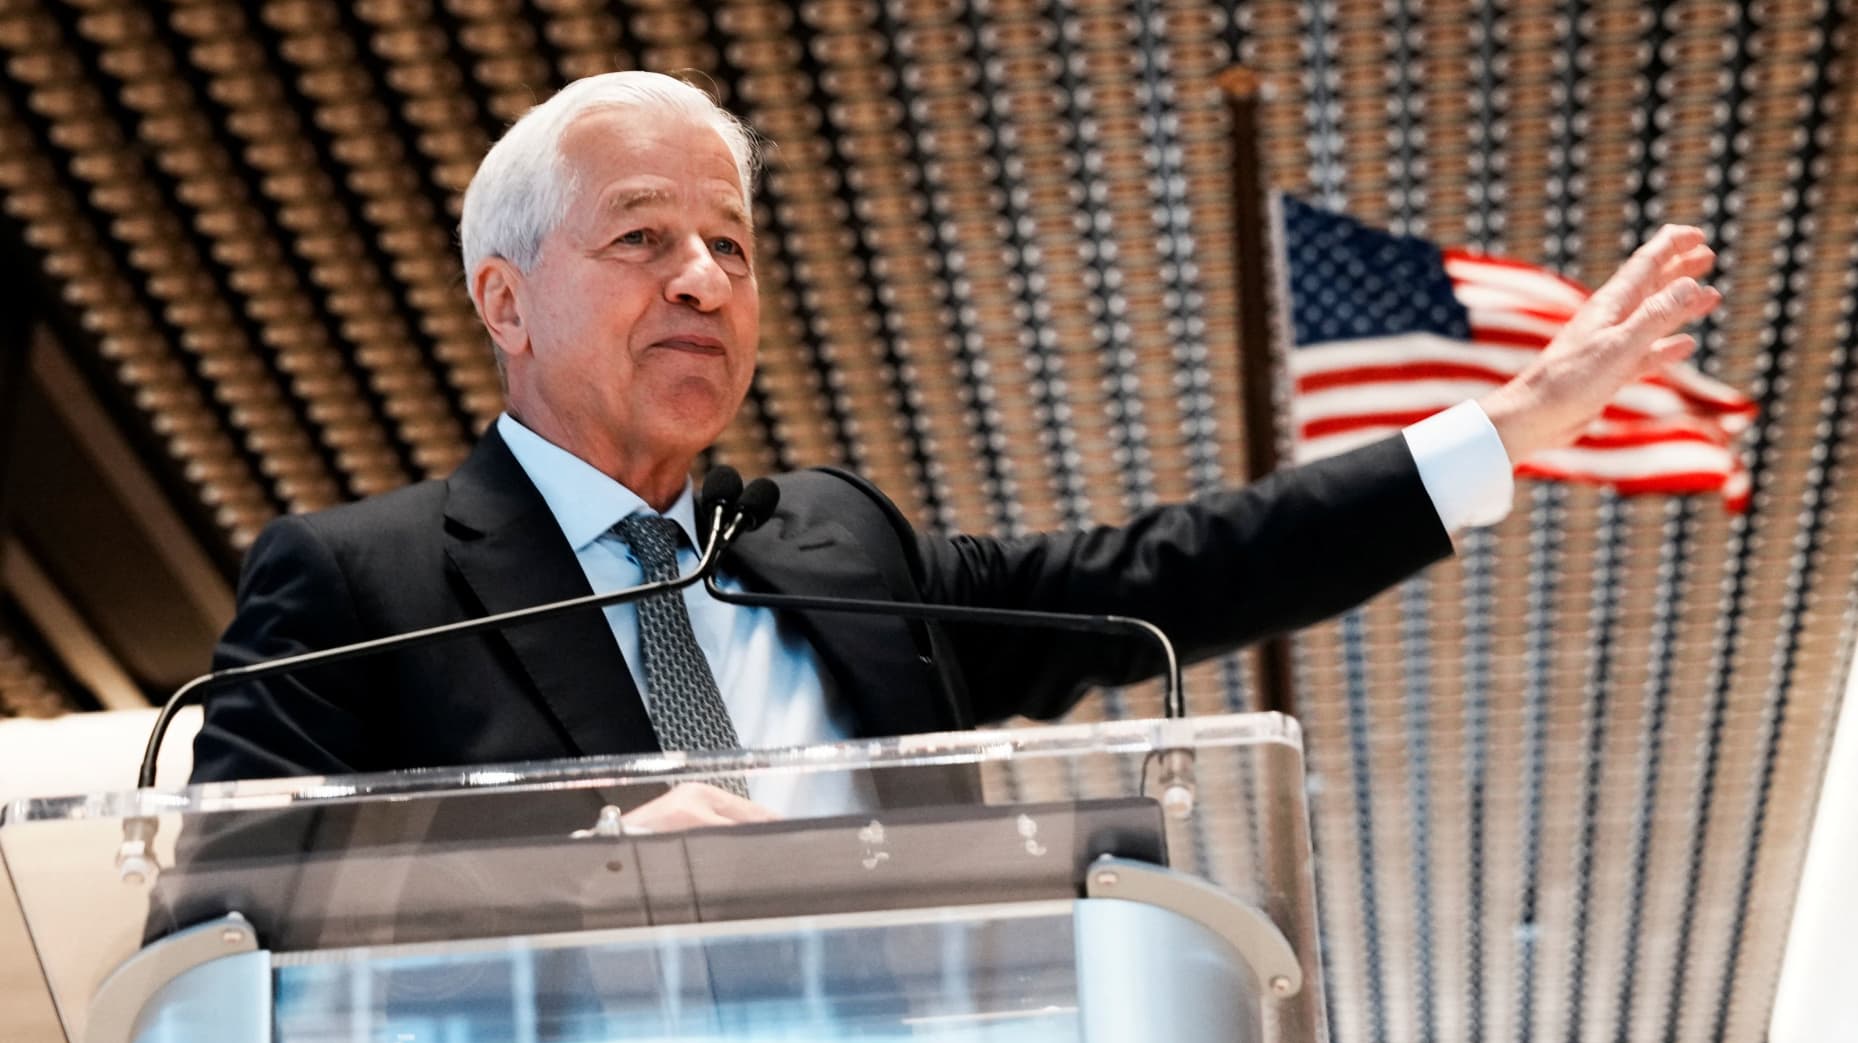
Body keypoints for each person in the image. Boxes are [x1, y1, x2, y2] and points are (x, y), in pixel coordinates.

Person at [190, 72, 1721, 831]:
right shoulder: (357, 581)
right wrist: (558, 862)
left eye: (730, 241)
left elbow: (1172, 574)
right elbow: (222, 904)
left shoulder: (834, 543)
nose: (707, 279)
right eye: (643, 237)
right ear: (504, 300)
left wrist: (1498, 435)